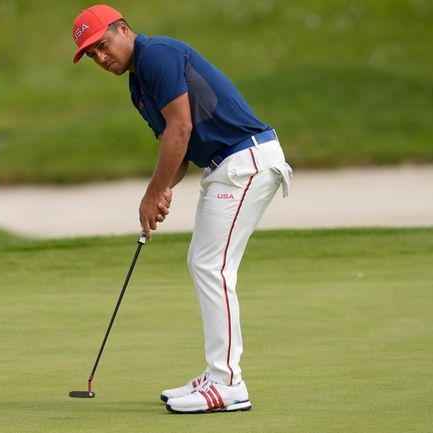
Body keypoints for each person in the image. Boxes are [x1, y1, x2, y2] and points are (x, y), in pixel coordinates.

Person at [71, 4, 292, 414]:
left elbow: (182, 127)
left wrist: (152, 193)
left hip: (246, 161)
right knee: (203, 262)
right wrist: (160, 192)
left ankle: (228, 384)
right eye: (91, 55)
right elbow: (179, 149)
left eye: (102, 45)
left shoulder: (156, 54)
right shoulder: (138, 86)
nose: (101, 58)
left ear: (124, 29)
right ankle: (218, 374)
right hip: (228, 165)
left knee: (212, 266)